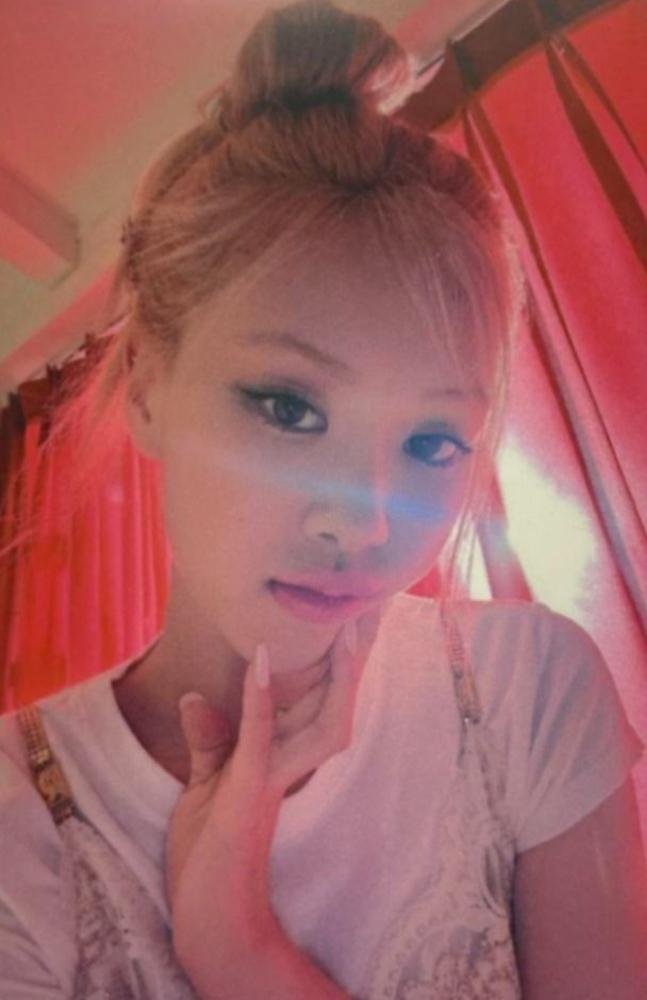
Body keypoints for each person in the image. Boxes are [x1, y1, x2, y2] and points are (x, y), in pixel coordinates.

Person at [1, 1, 646, 997]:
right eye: (288, 407)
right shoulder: (19, 814)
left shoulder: (526, 690)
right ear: (145, 388)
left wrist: (243, 953)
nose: (366, 522)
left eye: (431, 442)